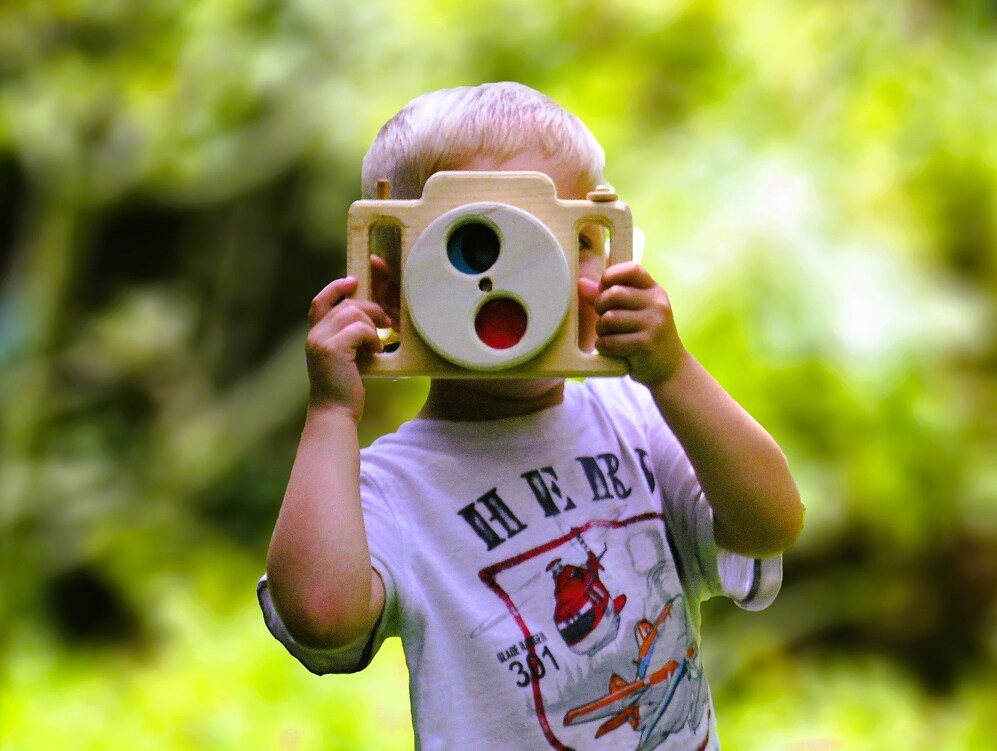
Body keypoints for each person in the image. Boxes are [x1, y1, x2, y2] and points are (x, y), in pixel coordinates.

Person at [258, 82, 803, 750]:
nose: (529, 283)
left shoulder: (640, 417)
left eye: (566, 245)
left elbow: (770, 524)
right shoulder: (396, 487)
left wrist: (674, 371)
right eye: (476, 246)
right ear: (391, 292)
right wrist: (331, 411)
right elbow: (322, 615)